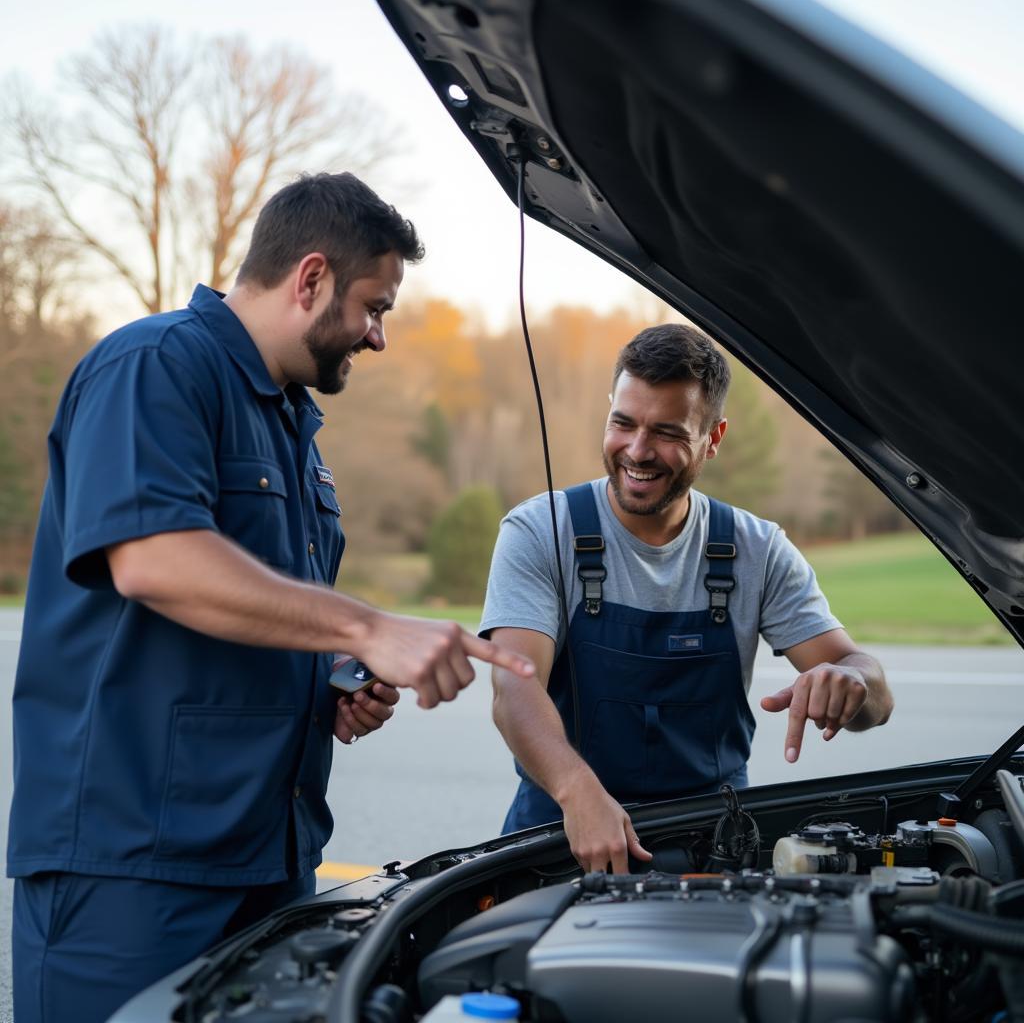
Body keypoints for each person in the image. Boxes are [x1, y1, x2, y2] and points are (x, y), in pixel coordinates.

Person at [7, 172, 534, 1023]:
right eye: (375, 306)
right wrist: (367, 624)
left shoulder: (292, 423)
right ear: (312, 277)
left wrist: (331, 672)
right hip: (134, 866)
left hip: (269, 856)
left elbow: (253, 606)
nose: (378, 336)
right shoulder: (154, 366)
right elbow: (156, 560)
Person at [481, 323, 893, 874]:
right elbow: (514, 688)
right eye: (622, 423)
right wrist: (578, 791)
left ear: (713, 438)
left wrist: (854, 681)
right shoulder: (539, 530)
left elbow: (875, 698)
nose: (637, 450)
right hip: (559, 836)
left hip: (712, 850)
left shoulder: (757, 549)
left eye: (667, 432)